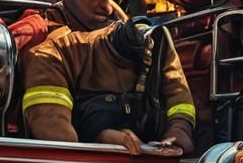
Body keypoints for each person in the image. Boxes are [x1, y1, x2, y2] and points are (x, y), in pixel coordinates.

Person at [21, 17, 195, 154]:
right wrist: (99, 138)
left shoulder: (156, 44)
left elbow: (179, 96)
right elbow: (56, 133)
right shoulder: (54, 54)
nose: (104, 6)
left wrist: (179, 129)